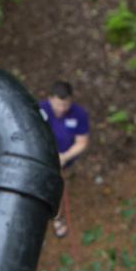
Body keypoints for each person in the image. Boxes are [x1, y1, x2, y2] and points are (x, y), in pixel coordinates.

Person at [39, 80, 90, 237]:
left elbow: (82, 142)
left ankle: (57, 218)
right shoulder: (39, 110)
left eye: (65, 105)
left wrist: (65, 157)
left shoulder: (79, 114)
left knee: (57, 190)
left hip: (63, 162)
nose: (61, 109)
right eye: (58, 105)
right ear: (50, 99)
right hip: (41, 158)